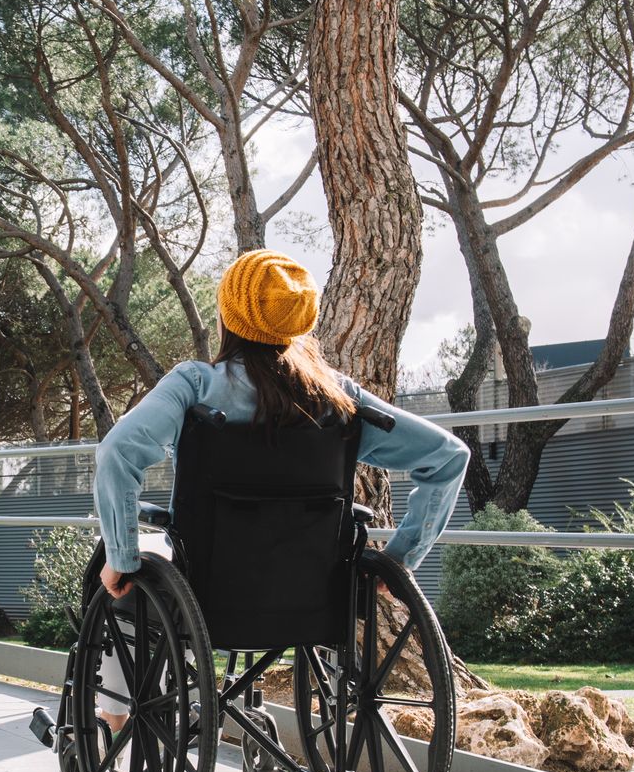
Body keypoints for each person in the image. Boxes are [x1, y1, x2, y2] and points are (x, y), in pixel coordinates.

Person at [93, 248, 469, 629]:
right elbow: (447, 456)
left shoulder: (194, 385)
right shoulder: (336, 398)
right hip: (314, 595)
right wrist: (400, 559)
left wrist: (121, 557)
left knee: (109, 574)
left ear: (229, 316)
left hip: (207, 593)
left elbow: (118, 451)